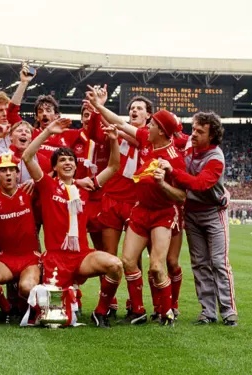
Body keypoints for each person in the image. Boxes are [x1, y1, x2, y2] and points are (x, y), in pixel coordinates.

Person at [22, 117, 124, 328]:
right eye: (62, 160)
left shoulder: (86, 188)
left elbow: (114, 166)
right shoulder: (47, 185)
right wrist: (48, 131)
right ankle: (62, 299)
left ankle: (101, 312)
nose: (68, 162)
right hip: (56, 259)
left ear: (76, 167)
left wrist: (113, 140)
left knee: (115, 264)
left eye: (71, 160)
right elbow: (27, 156)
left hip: (81, 256)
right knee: (55, 323)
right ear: (55, 167)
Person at [102, 104, 186, 327]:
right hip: (140, 210)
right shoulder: (146, 140)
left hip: (162, 214)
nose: (147, 126)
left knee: (158, 267)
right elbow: (120, 123)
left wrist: (161, 183)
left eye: (152, 124)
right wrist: (97, 105)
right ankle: (138, 310)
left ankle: (167, 312)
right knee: (128, 260)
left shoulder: (175, 158)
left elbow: (180, 196)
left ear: (161, 129)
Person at [159, 111, 238, 326]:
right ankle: (208, 312)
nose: (193, 134)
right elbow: (172, 133)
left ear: (211, 136)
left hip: (213, 213)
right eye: (193, 129)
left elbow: (199, 184)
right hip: (192, 213)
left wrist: (172, 171)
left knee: (219, 263)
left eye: (200, 131)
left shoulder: (215, 157)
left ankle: (229, 311)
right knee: (200, 263)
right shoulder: (188, 144)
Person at [84, 93, 153, 318]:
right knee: (109, 254)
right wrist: (98, 109)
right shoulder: (117, 132)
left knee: (133, 258)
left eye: (140, 108)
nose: (134, 110)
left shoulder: (149, 137)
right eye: (132, 107)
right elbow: (97, 132)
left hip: (136, 203)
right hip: (112, 199)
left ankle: (136, 305)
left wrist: (104, 113)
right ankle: (110, 303)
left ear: (149, 115)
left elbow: (122, 127)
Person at [0, 153, 42, 319]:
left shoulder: (29, 191)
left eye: (12, 170)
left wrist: (36, 181)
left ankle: (38, 310)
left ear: (17, 173)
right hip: (6, 258)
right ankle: (6, 308)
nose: (9, 174)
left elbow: (52, 184)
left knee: (26, 287)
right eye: (3, 170)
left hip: (30, 257)